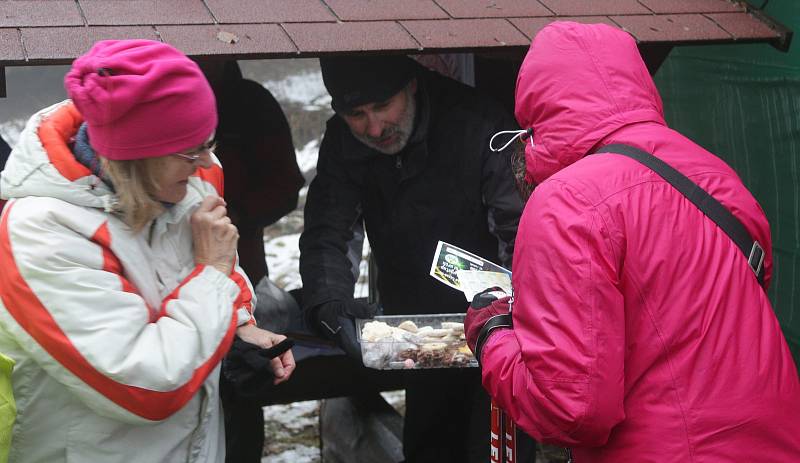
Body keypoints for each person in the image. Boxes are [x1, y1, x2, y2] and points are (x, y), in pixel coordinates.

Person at [464, 21, 800, 462]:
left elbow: (570, 410)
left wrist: (492, 335)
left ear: (536, 114)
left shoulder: (565, 202)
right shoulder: (717, 177)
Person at [0, 39, 295, 462]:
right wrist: (212, 276)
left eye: (208, 140)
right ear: (133, 157)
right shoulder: (43, 232)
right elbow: (147, 385)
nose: (208, 161)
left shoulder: (185, 182)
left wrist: (241, 325)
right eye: (192, 149)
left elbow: (211, 265)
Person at [299, 55, 530, 463]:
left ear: (411, 86)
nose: (373, 127)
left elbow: (519, 232)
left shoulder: (479, 124)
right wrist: (329, 305)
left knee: (493, 451)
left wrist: (513, 316)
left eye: (383, 107)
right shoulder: (344, 141)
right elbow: (328, 232)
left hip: (501, 331)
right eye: (356, 114)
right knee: (428, 447)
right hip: (416, 330)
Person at [198, 60, 305, 463]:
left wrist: (239, 215)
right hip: (189, 290)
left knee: (242, 382)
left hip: (243, 265)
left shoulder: (251, 103)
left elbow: (285, 185)